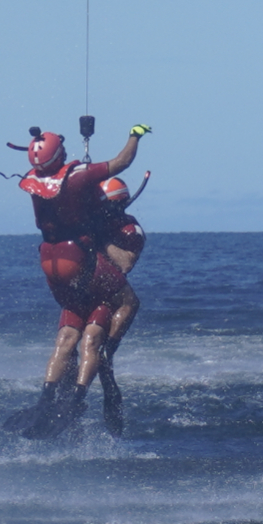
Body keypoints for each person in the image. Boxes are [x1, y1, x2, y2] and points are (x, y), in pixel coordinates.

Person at [4, 123, 151, 439]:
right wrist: (135, 134)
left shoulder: (34, 180)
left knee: (69, 337)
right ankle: (76, 397)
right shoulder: (79, 181)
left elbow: (123, 259)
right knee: (112, 319)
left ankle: (49, 400)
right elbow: (121, 162)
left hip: (53, 264)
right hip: (83, 270)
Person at [90, 176, 147, 435]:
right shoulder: (91, 221)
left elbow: (125, 264)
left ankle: (113, 418)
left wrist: (102, 238)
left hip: (112, 297)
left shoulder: (130, 231)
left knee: (102, 359)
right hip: (87, 292)